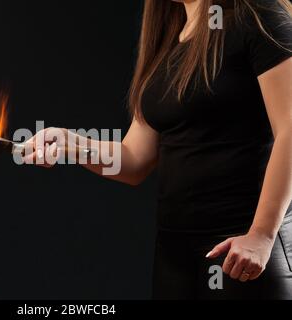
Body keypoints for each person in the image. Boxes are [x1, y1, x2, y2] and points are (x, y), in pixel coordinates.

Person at [23, 0, 292, 299]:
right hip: (174, 258)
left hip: (242, 253)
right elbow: (134, 159)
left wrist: (261, 235)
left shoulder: (258, 16)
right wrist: (68, 143)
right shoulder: (167, 43)